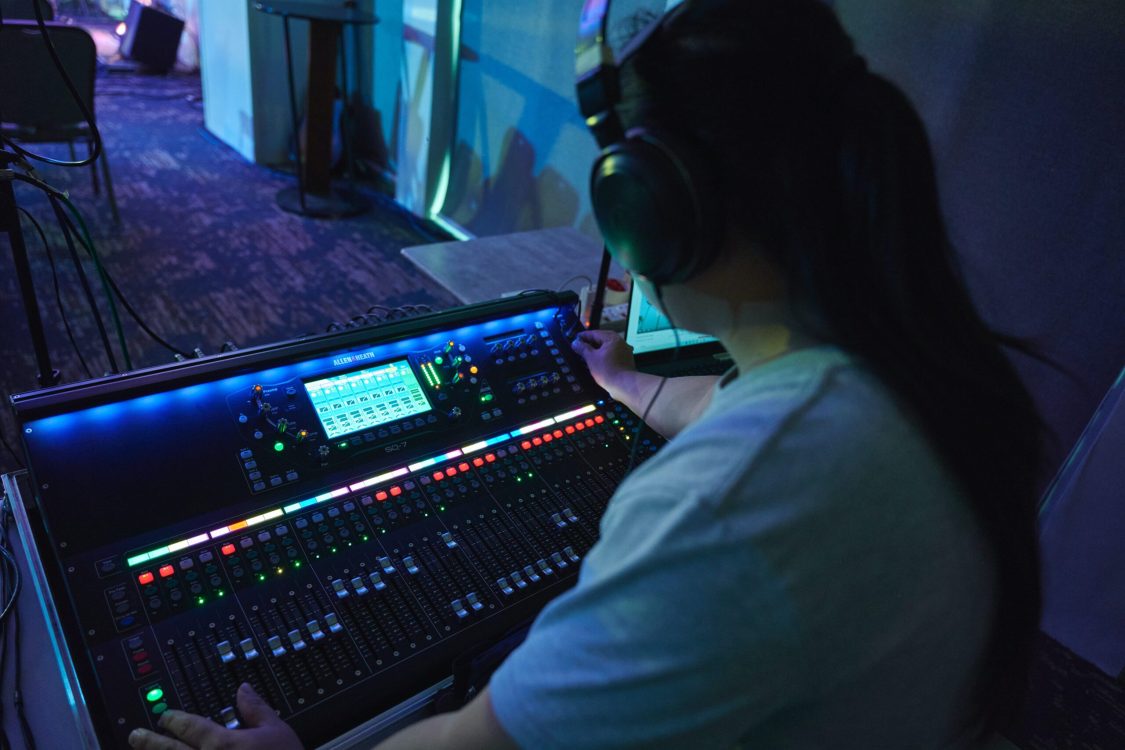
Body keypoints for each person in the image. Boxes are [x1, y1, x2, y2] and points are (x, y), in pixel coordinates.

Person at [128, 1, 1043, 748]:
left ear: (652, 201)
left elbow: (477, 745)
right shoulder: (914, 369)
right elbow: (754, 420)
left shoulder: (732, 496)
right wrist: (637, 388)